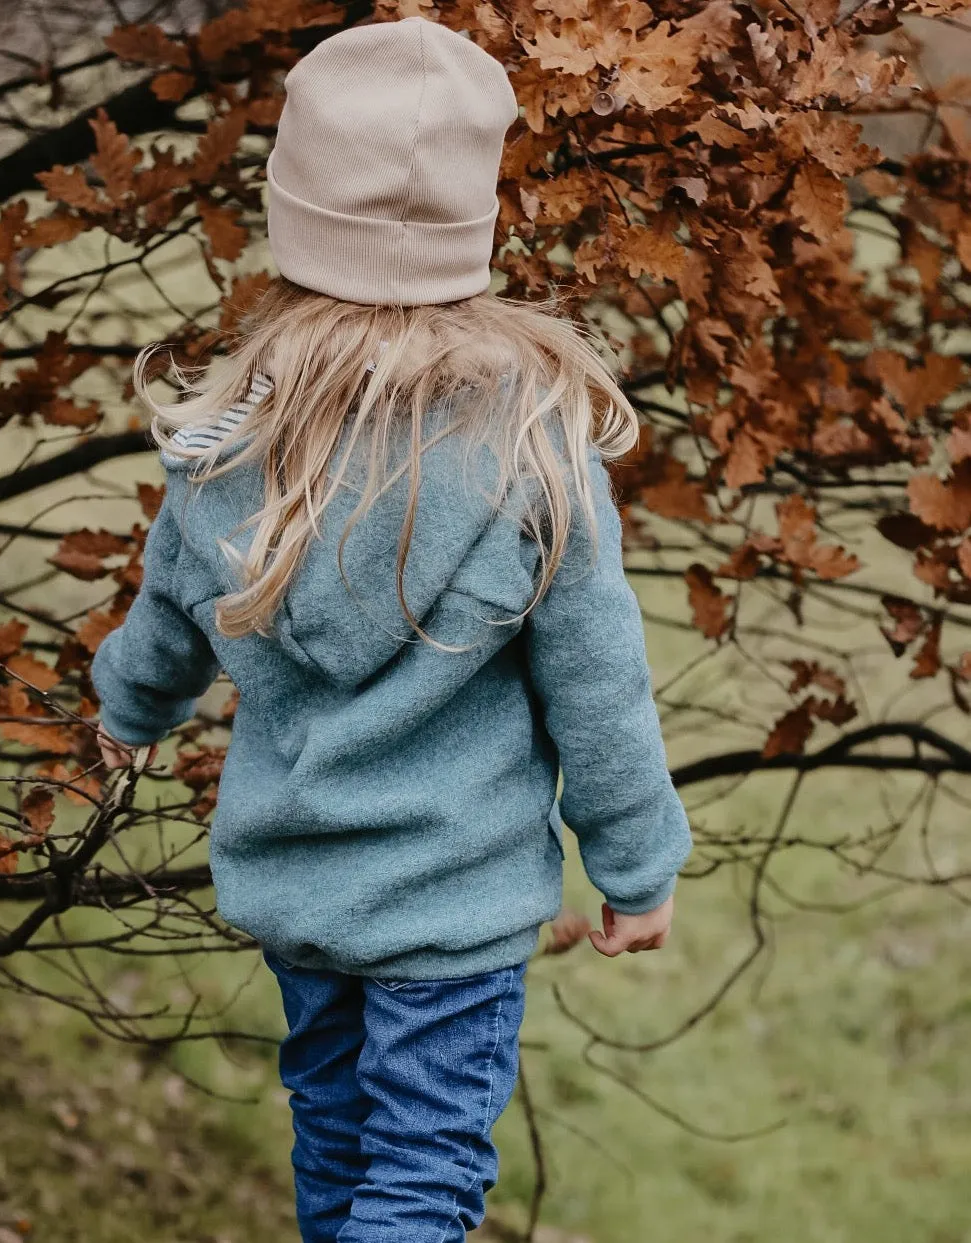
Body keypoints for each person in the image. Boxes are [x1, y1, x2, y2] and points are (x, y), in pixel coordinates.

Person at [91, 16, 692, 1242]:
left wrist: (128, 712)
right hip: (452, 907)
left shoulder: (228, 442)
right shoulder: (533, 451)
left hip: (299, 881)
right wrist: (636, 865)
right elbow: (600, 684)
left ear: (292, 214)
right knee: (420, 1181)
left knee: (339, 1141)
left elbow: (166, 616)